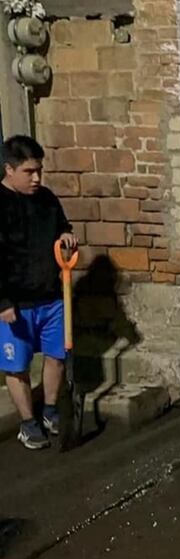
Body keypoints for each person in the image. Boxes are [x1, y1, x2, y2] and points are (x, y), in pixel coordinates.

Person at [0, 136, 77, 450]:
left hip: (51, 297)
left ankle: (49, 411)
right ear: (9, 169)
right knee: (17, 367)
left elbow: (62, 226)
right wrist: (2, 301)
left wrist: (67, 235)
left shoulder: (45, 198)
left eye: (39, 171)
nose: (37, 178)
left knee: (56, 357)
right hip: (14, 302)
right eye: (29, 171)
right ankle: (28, 423)